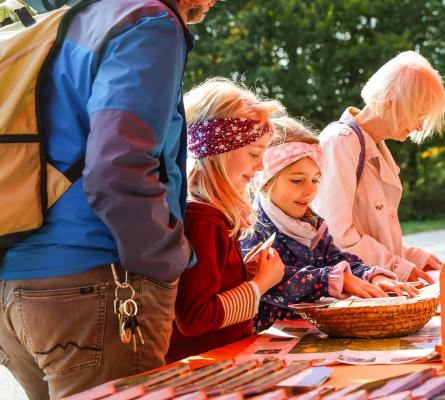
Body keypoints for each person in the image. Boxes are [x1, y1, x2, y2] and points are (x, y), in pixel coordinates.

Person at [0, 1, 219, 398]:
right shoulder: (149, 20)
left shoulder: (75, 19)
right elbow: (119, 163)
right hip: (97, 282)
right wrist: (164, 259)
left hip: (16, 280)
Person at [240, 117, 418, 332]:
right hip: (260, 339)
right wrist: (333, 280)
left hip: (305, 333)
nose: (310, 191)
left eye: (315, 180)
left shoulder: (314, 227)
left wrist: (372, 275)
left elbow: (338, 260)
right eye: (297, 180)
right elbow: (277, 280)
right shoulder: (251, 231)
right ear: (264, 181)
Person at [166, 78, 286, 362]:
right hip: (206, 367)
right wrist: (260, 285)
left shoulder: (209, 216)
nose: (261, 166)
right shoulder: (203, 220)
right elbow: (195, 317)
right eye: (254, 153)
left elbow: (208, 285)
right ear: (220, 150)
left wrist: (245, 272)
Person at [312, 51, 445, 282]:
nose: (419, 126)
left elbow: (372, 233)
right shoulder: (341, 141)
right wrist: (396, 265)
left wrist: (411, 256)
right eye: (419, 114)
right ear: (392, 99)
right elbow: (336, 236)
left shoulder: (371, 146)